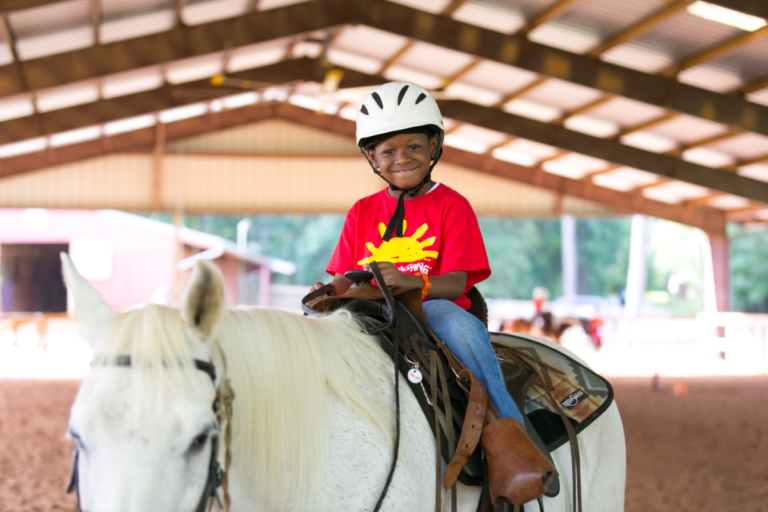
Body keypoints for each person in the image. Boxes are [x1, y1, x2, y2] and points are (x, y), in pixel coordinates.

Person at [309, 82, 554, 507]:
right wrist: (329, 290)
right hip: (368, 310)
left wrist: (413, 283)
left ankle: (512, 442)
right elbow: (345, 277)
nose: (402, 158)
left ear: (434, 145)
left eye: (413, 146)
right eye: (388, 151)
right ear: (372, 157)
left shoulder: (452, 206)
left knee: (459, 325)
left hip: (430, 308)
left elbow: (458, 283)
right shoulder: (362, 211)